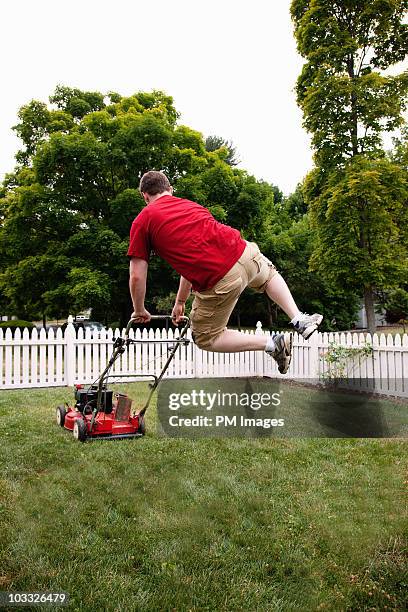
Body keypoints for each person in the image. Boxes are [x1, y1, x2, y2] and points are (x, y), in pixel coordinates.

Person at [127, 171, 323, 374]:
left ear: (145, 195)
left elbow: (137, 275)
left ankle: (273, 343)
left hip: (221, 277)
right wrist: (180, 302)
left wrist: (139, 309)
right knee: (270, 276)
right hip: (244, 251)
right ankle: (299, 318)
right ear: (170, 190)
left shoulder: (143, 220)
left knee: (206, 337)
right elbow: (192, 262)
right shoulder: (191, 206)